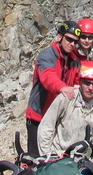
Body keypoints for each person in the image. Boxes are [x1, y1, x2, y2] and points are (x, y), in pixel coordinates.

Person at [37, 61, 93, 174]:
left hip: (90, 155)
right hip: (63, 154)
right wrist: (47, 156)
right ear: (80, 82)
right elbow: (46, 126)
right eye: (87, 83)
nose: (90, 87)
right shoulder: (65, 98)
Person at [25, 21, 82, 156]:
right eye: (69, 39)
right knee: (36, 158)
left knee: (55, 156)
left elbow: (78, 81)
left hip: (58, 118)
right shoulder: (47, 55)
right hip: (38, 116)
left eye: (75, 41)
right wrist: (62, 87)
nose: (72, 44)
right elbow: (48, 77)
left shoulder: (74, 61)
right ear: (60, 37)